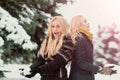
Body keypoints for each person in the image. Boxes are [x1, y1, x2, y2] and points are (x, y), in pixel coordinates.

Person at [24, 16, 74, 80]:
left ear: (63, 27)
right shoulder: (48, 41)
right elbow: (40, 60)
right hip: (45, 77)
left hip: (59, 78)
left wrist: (38, 70)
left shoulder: (68, 42)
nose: (55, 29)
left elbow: (57, 62)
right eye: (53, 26)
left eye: (58, 26)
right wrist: (30, 70)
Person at [68, 15, 115, 80]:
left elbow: (87, 61)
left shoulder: (85, 38)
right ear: (79, 25)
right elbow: (81, 63)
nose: (88, 23)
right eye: (85, 21)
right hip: (80, 77)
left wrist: (102, 67)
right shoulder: (80, 39)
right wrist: (99, 69)